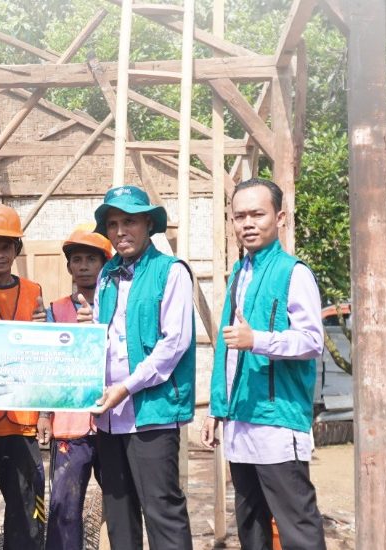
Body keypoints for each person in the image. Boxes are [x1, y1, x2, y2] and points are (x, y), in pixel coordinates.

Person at [202, 178, 327, 550]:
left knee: (297, 527)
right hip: (240, 419)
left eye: (258, 213)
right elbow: (227, 351)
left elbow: (312, 340)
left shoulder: (294, 273)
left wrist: (258, 340)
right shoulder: (240, 274)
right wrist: (217, 408)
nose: (248, 223)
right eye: (239, 216)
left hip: (277, 420)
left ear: (281, 217)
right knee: (251, 526)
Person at [87, 185, 195, 550]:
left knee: (162, 511)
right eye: (113, 223)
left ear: (148, 223)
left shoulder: (171, 271)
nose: (120, 231)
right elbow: (103, 336)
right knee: (118, 514)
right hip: (108, 416)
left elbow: (174, 343)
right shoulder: (106, 277)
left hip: (151, 413)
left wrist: (126, 386)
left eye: (129, 221)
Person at [0, 203, 48, 550]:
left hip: (23, 422)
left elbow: (44, 354)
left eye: (6, 247)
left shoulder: (33, 291)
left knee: (31, 510)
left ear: (16, 249)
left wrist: (46, 412)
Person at [43, 224, 112, 550]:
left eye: (91, 259)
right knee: (64, 507)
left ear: (104, 264)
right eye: (77, 259)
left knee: (121, 501)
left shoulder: (117, 306)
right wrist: (44, 413)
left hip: (114, 420)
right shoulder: (55, 311)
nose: (83, 265)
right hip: (70, 424)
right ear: (69, 265)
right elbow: (47, 366)